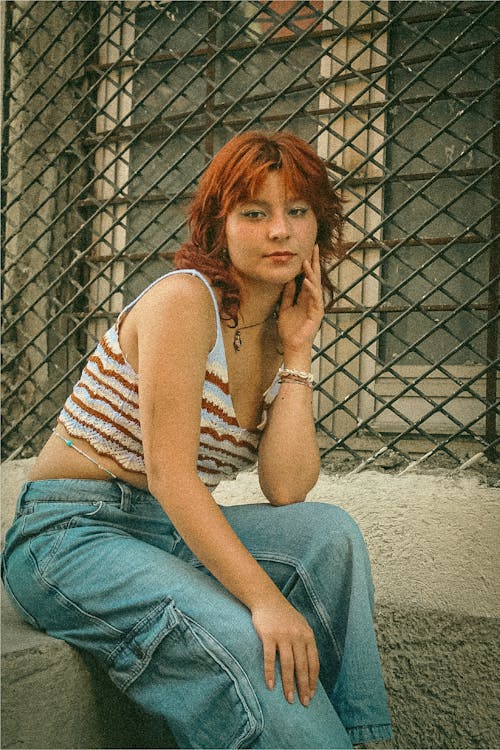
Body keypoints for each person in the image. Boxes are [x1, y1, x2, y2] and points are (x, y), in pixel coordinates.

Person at [2, 131, 392, 749]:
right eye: (254, 213)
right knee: (248, 638)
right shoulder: (185, 301)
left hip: (165, 531)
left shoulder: (277, 330)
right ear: (220, 224)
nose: (280, 232)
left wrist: (297, 350)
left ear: (320, 224)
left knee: (330, 534)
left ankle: (361, 741)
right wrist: (266, 603)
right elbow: (173, 477)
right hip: (71, 535)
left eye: (298, 211)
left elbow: (287, 487)